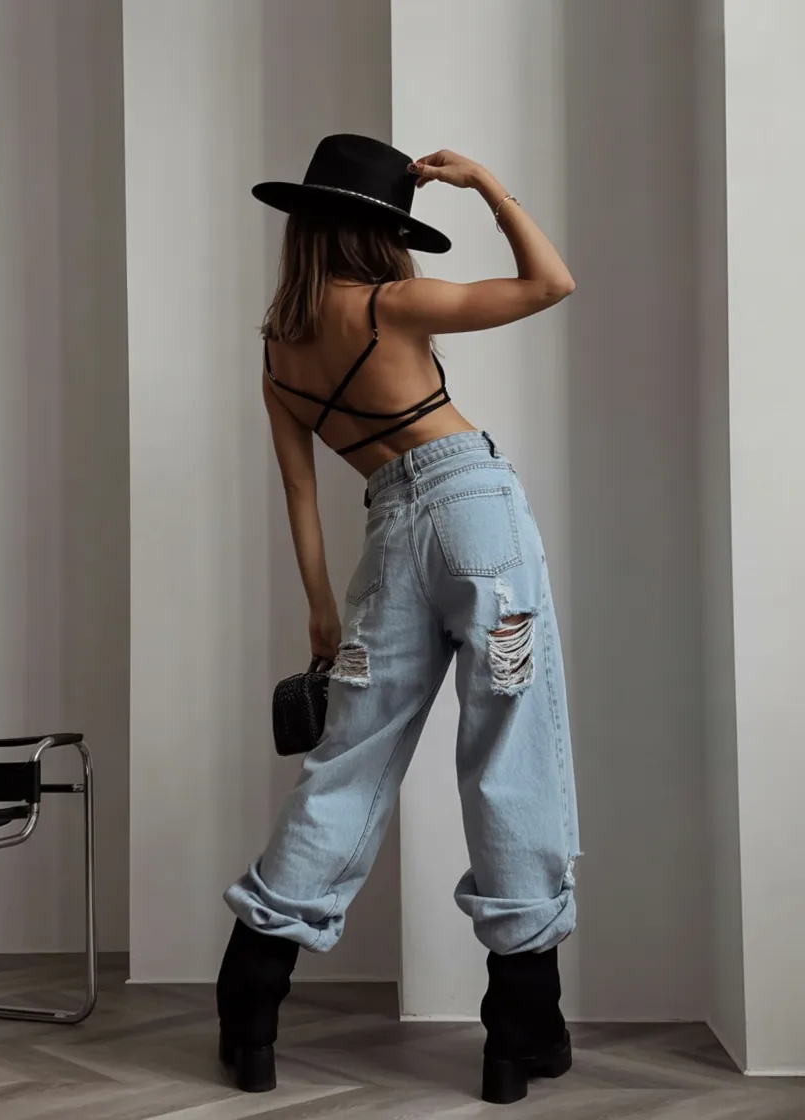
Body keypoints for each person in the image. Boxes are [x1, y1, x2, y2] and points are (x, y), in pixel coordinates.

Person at [216, 134, 579, 1107]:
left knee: (348, 759)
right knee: (510, 746)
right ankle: (517, 1033)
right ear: (376, 233)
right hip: (478, 525)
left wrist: (320, 611)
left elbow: (301, 493)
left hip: (387, 545)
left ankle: (249, 1005)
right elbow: (550, 283)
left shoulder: (279, 353)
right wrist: (489, 185)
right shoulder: (391, 304)